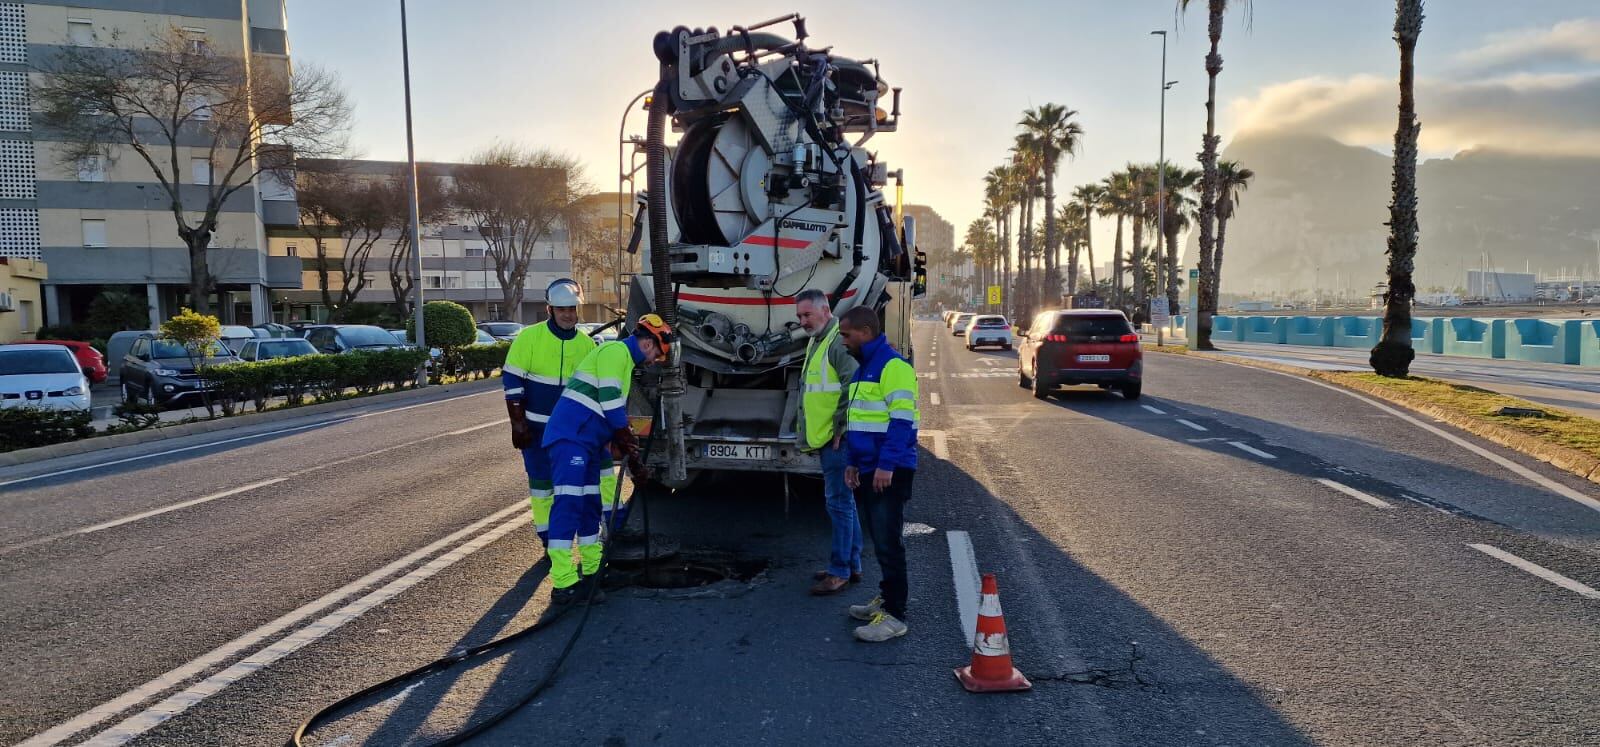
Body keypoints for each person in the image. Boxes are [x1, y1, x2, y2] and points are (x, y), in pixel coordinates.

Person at [539, 314, 673, 605]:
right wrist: (628, 442)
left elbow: (610, 412)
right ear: (648, 342)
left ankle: (592, 571)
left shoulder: (623, 361)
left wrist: (627, 447)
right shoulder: (616, 352)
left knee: (589, 506)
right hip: (570, 439)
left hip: (588, 444)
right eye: (656, 355)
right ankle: (563, 583)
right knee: (569, 505)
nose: (653, 362)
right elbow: (611, 401)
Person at [502, 279, 616, 547]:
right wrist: (517, 424)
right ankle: (547, 538)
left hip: (576, 433)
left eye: (572, 309)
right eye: (562, 309)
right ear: (549, 309)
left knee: (590, 482)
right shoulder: (529, 338)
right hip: (537, 431)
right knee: (543, 486)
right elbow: (512, 382)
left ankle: (605, 531)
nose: (568, 314)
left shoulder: (587, 345)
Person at [836, 305, 918, 642]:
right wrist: (853, 461)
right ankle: (885, 599)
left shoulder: (893, 367)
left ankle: (895, 616)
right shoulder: (864, 368)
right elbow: (860, 422)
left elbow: (902, 424)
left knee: (888, 544)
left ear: (865, 332)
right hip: (869, 468)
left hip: (890, 469)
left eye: (846, 335)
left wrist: (886, 465)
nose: (843, 341)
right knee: (880, 541)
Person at [793, 289, 861, 596]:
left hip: (838, 440)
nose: (803, 321)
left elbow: (854, 384)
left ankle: (838, 572)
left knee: (838, 504)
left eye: (807, 315)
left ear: (825, 310)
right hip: (826, 437)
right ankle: (852, 563)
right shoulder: (818, 340)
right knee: (845, 504)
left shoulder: (836, 342)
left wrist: (840, 428)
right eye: (799, 316)